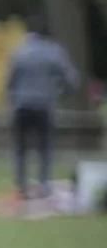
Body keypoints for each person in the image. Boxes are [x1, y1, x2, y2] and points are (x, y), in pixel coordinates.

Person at [6, 11, 80, 198]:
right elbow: (72, 80)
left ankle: (21, 186)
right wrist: (59, 92)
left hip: (22, 105)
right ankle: (43, 185)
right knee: (44, 147)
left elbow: (10, 82)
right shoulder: (54, 52)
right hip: (44, 105)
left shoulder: (19, 51)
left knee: (21, 148)